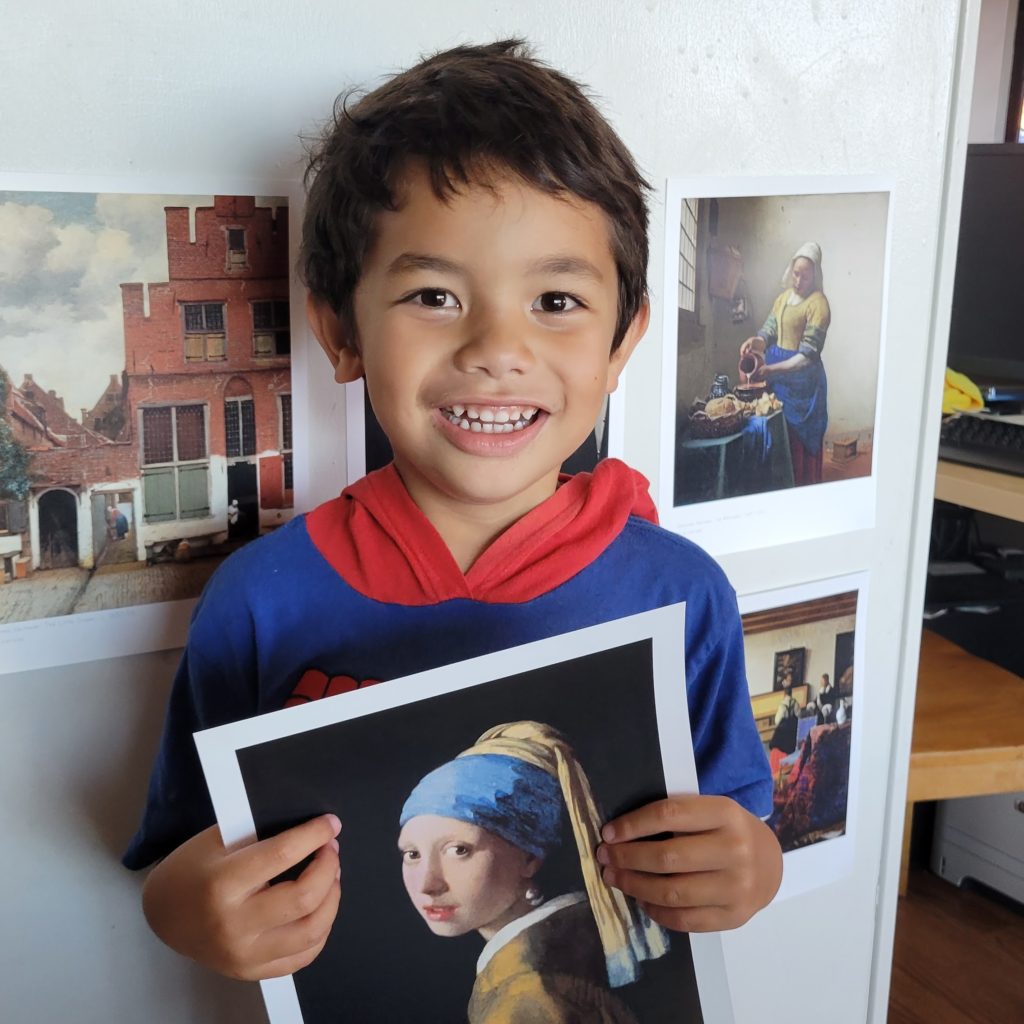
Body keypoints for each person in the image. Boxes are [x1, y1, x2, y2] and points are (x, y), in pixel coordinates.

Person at [126, 40, 782, 988]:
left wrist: (749, 869)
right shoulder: (259, 600)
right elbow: (179, 860)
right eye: (434, 295)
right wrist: (189, 912)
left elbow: (733, 830)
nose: (497, 348)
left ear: (622, 340)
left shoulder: (681, 592)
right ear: (340, 332)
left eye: (555, 300)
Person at [399, 721, 665, 1023]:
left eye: (459, 850)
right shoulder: (570, 951)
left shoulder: (528, 997)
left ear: (529, 857)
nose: (427, 884)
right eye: (412, 854)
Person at [740, 242, 831, 485]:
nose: (798, 280)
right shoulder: (782, 299)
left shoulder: (818, 304)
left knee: (799, 444)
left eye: (805, 276)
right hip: (777, 382)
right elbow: (767, 334)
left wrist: (771, 370)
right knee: (780, 438)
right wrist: (754, 342)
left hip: (803, 383)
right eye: (796, 273)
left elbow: (807, 356)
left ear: (815, 276)